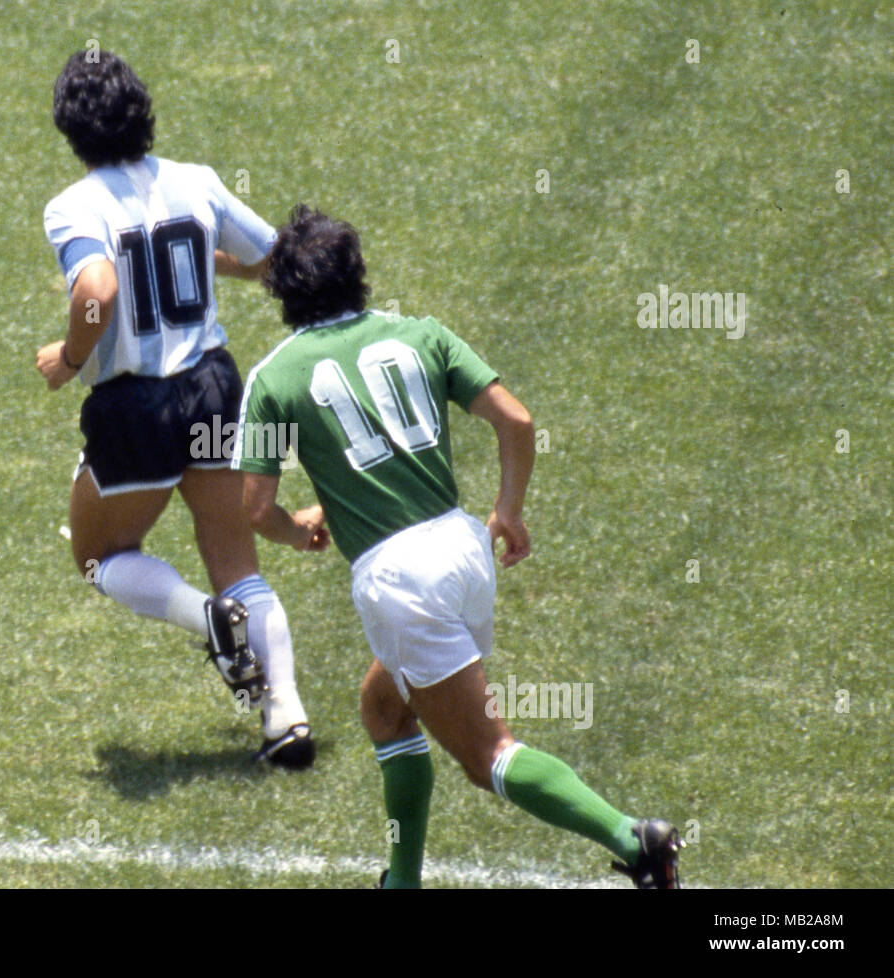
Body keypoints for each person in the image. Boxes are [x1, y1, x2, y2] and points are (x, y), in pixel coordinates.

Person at [233, 204, 684, 885]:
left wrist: (299, 532)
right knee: (384, 706)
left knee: (488, 756)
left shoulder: (273, 380)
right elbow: (516, 420)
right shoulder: (423, 335)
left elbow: (256, 508)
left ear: (282, 290)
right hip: (464, 549)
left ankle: (633, 838)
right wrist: (508, 510)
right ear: (357, 275)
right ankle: (402, 880)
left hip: (399, 580)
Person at [35, 50, 315, 768]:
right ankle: (285, 714)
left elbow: (97, 288)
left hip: (135, 405)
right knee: (236, 559)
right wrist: (196, 256)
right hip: (215, 386)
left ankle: (207, 621)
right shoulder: (196, 182)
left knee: (99, 556)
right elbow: (268, 256)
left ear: (71, 130)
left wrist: (68, 360)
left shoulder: (73, 205)